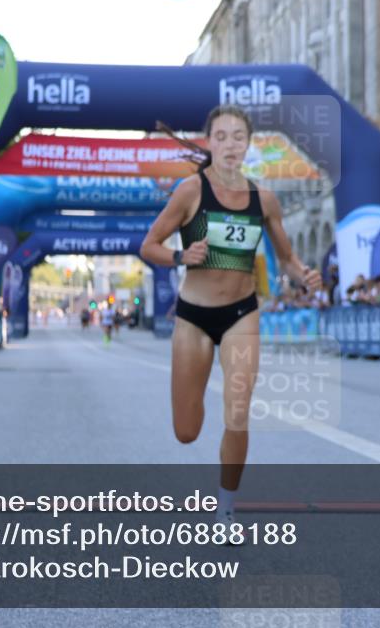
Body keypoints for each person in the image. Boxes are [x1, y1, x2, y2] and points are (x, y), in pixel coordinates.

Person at [140, 105, 320, 528]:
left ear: (248, 144)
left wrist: (303, 274)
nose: (230, 145)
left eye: (239, 137)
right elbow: (149, 246)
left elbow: (287, 258)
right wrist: (181, 256)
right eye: (221, 137)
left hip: (241, 314)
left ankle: (226, 508)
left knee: (238, 412)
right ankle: (197, 391)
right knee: (186, 431)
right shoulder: (190, 192)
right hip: (194, 317)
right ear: (210, 142)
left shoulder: (264, 200)